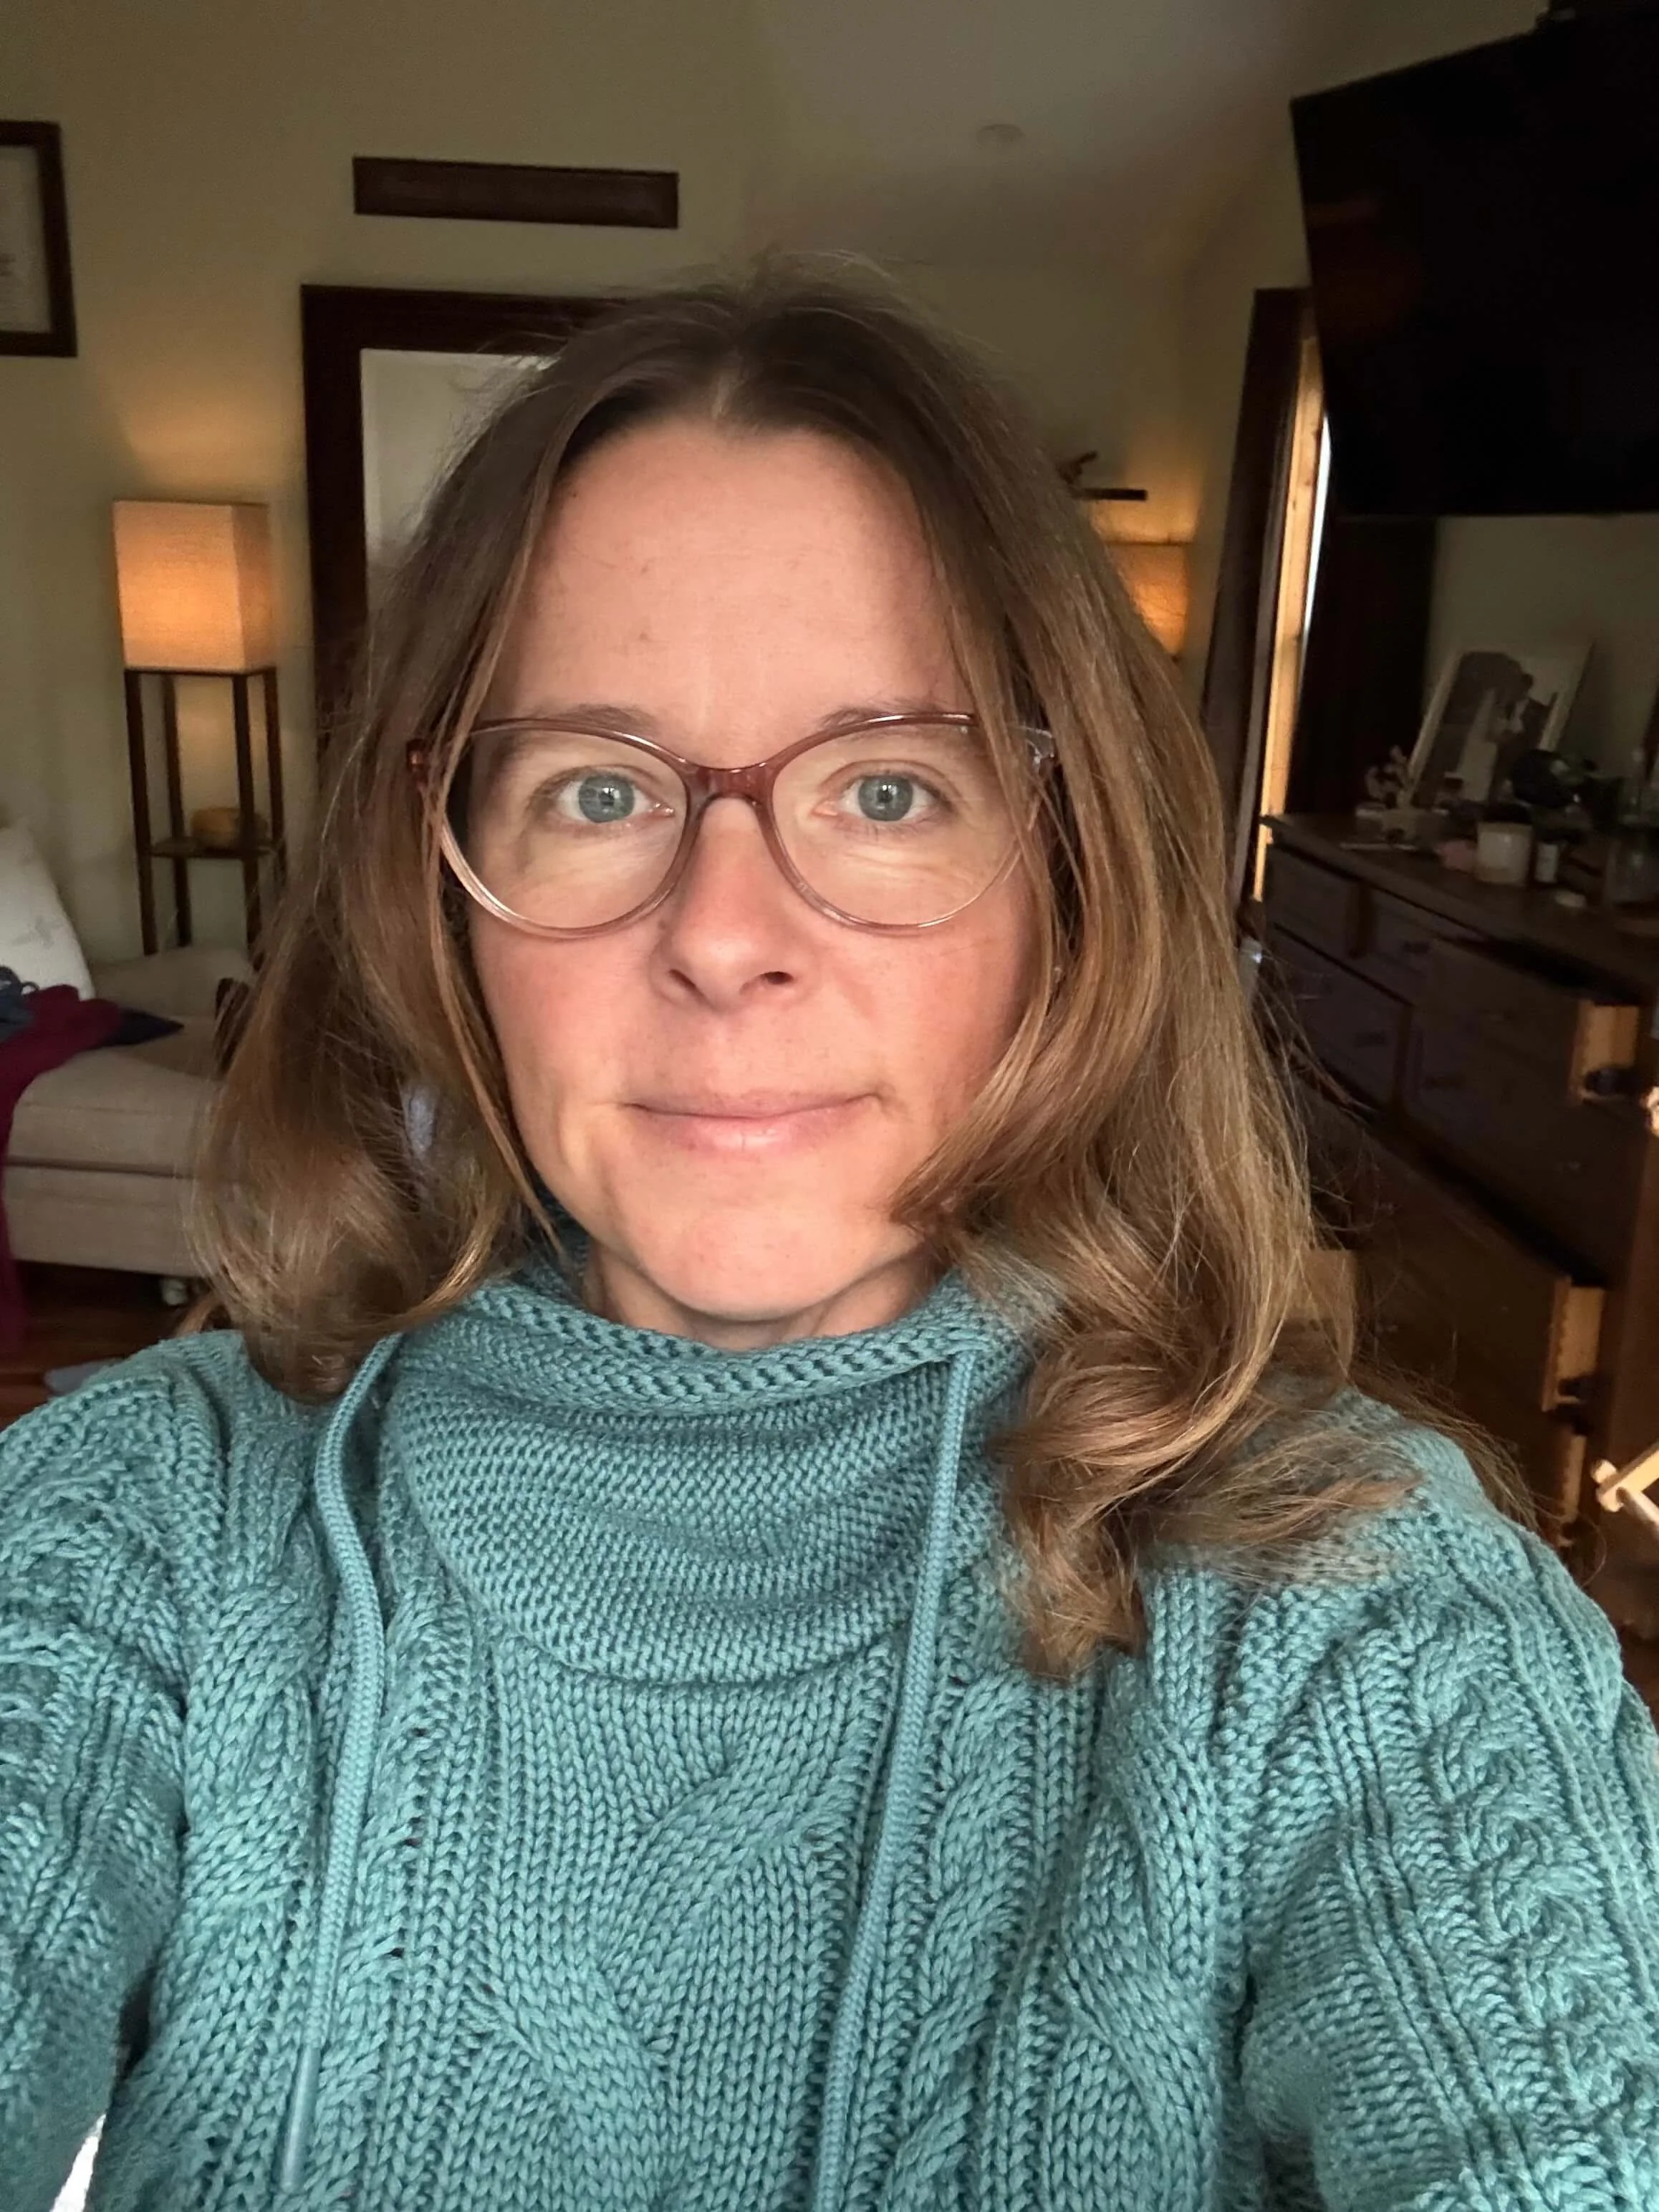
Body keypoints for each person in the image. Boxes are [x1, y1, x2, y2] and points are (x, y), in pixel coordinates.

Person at [4, 261, 1657, 2212]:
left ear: (1067, 885)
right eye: (596, 789)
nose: (721, 931)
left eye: (885, 788)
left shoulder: (1359, 1611)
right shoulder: (134, 1527)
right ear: (444, 895)